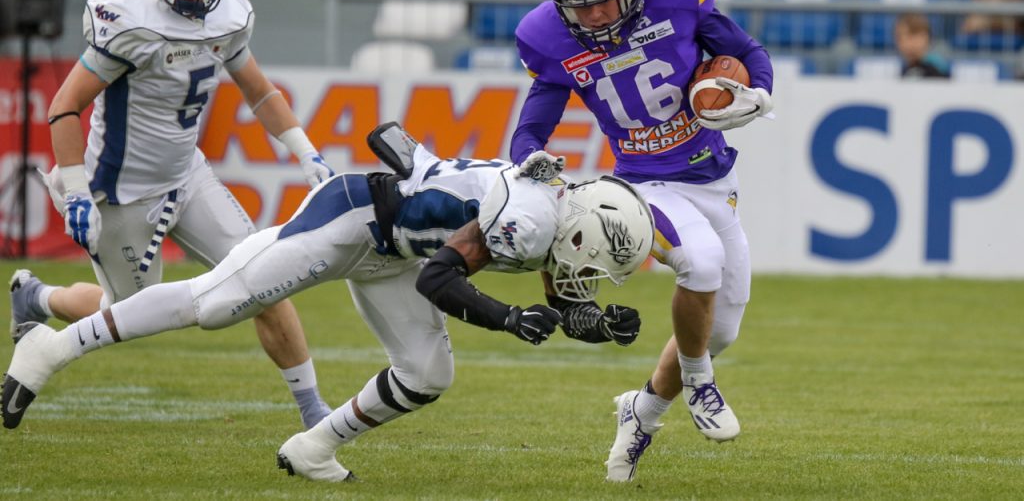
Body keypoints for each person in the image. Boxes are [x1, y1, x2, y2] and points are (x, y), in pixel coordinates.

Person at [3, 122, 654, 482]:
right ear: (580, 227)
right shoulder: (536, 218)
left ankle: (313, 448)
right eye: (595, 259)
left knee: (427, 373)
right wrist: (507, 319)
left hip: (398, 253)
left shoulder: (562, 219)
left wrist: (597, 324)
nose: (589, 272)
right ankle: (51, 345)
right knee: (213, 305)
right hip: (353, 219)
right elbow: (441, 280)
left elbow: (563, 303)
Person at [8, 0, 337, 429]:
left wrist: (305, 152)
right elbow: (64, 107)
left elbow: (259, 91)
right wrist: (75, 192)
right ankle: (38, 297)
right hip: (121, 192)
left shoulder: (228, 15)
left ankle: (313, 411)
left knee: (265, 277)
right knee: (130, 311)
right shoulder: (129, 21)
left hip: (187, 173)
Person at [509, 0, 775, 482]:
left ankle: (643, 411)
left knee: (719, 330)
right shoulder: (548, 35)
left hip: (711, 179)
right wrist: (529, 153)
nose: (598, 16)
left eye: (606, 0)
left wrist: (757, 92)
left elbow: (742, 51)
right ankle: (701, 385)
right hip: (643, 183)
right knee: (699, 263)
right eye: (582, 8)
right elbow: (539, 111)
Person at [893, 13, 949, 79]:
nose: (905, 43)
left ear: (926, 37)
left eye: (911, 36)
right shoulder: (906, 68)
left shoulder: (936, 68)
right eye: (899, 37)